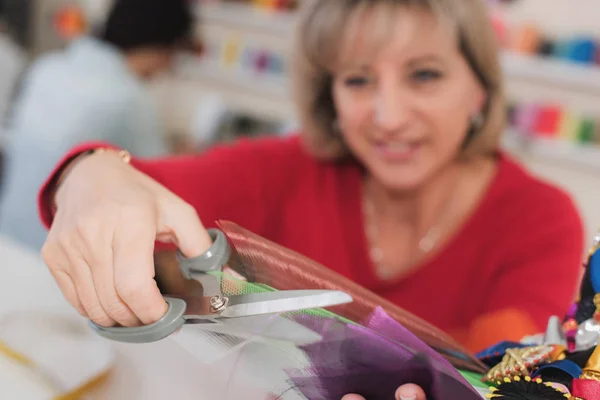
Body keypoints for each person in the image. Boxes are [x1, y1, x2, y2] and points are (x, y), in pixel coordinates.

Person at [38, 0, 583, 389]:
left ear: (479, 90)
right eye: (358, 80)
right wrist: (89, 176)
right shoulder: (291, 169)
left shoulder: (540, 219)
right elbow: (129, 178)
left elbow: (511, 376)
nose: (389, 117)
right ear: (330, 95)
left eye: (424, 75)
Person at [0, 0, 194, 250]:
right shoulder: (129, 97)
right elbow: (165, 189)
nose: (169, 68)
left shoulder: (46, 68)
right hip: (59, 263)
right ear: (162, 47)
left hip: (8, 241)